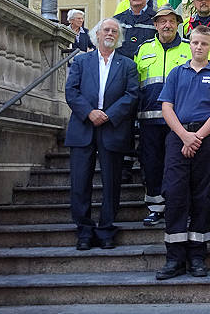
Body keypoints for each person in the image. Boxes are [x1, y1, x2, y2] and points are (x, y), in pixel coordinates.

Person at [155, 25, 210, 280]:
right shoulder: (176, 73)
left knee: (203, 196)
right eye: (195, 43)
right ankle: (174, 258)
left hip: (207, 140)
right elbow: (167, 107)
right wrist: (184, 136)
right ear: (190, 44)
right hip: (178, 138)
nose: (199, 47)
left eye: (204, 44)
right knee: (176, 195)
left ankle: (197, 256)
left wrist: (197, 137)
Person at [64, 18, 138, 251]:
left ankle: (106, 229)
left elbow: (132, 94)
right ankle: (84, 231)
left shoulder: (128, 65)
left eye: (115, 31)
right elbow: (71, 91)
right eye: (106, 29)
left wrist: (108, 114)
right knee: (79, 182)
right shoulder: (80, 61)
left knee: (112, 182)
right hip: (82, 128)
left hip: (113, 128)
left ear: (119, 37)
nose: (110, 33)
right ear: (97, 34)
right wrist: (89, 113)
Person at [134, 5, 192, 226]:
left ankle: (180, 207)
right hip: (150, 120)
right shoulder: (143, 49)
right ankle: (156, 207)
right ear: (155, 25)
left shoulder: (189, 48)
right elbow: (136, 85)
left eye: (171, 21)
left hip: (181, 120)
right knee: (152, 164)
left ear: (178, 24)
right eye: (162, 21)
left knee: (180, 165)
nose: (167, 25)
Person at [114, 0, 158, 183]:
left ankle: (145, 162)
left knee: (148, 124)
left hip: (150, 80)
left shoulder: (155, 20)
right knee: (126, 123)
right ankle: (125, 165)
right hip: (125, 81)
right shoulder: (118, 20)